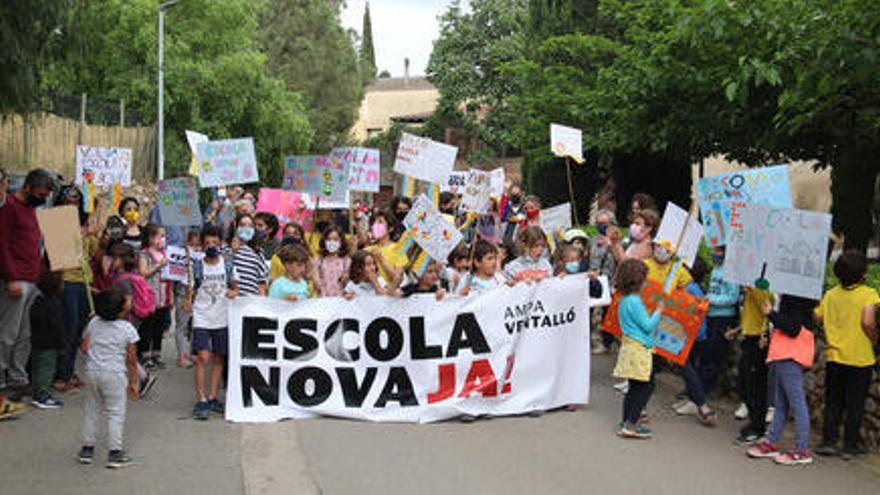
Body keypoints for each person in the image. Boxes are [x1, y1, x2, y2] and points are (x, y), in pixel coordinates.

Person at [814, 250, 880, 459]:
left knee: (833, 401)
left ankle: (828, 441)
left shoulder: (830, 294)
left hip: (835, 356)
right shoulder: (868, 294)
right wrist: (875, 338)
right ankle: (850, 445)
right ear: (862, 274)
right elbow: (868, 321)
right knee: (855, 403)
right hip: (860, 358)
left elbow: (817, 317)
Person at [0, 168, 53, 396]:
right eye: (40, 194)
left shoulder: (32, 210)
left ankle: (17, 375)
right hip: (16, 280)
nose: (42, 199)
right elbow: (2, 245)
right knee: (8, 331)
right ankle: (2, 377)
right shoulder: (9, 208)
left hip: (32, 279)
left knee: (24, 334)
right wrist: (11, 278)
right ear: (27, 187)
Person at [748, 295, 817, 465]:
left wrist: (771, 313)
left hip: (789, 356)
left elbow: (792, 328)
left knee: (796, 403)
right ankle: (771, 442)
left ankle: (801, 450)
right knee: (781, 404)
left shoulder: (796, 299)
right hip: (784, 355)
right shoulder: (801, 299)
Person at [77, 287, 140, 468]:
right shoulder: (128, 329)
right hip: (115, 374)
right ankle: (115, 453)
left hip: (92, 372)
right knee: (115, 413)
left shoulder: (94, 322)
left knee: (91, 410)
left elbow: (84, 348)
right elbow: (132, 359)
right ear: (121, 310)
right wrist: (134, 381)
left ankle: (87, 450)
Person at [186, 225, 238, 421]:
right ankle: (200, 398)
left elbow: (235, 287)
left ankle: (212, 396)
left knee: (219, 358)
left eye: (215, 243)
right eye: (207, 243)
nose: (211, 246)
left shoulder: (228, 265)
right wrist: (187, 301)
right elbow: (190, 288)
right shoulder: (196, 266)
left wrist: (234, 292)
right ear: (201, 244)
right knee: (202, 357)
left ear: (221, 244)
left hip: (222, 317)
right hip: (202, 317)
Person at [54, 185, 99, 392]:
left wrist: (99, 235)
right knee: (68, 329)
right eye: (68, 200)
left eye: (75, 201)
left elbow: (93, 256)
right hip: (66, 281)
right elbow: (61, 256)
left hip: (84, 283)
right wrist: (81, 233)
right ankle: (60, 375)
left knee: (78, 330)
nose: (71, 204)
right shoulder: (55, 220)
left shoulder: (84, 225)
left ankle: (68, 371)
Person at [613, 259, 664, 439]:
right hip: (639, 348)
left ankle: (626, 420)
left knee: (633, 387)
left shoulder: (624, 300)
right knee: (646, 386)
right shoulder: (635, 301)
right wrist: (658, 311)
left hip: (629, 346)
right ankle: (631, 423)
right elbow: (647, 325)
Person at [694, 246, 741, 411]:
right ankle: (697, 392)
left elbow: (733, 297)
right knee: (705, 353)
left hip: (723, 317)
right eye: (714, 251)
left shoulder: (731, 272)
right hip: (711, 314)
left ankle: (703, 394)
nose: (715, 254)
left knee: (713, 356)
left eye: (719, 251)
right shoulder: (716, 269)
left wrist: (712, 299)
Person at [672, 257, 718, 425]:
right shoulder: (696, 288)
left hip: (689, 335)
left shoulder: (689, 289)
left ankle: (700, 403)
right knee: (689, 366)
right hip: (697, 334)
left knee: (685, 366)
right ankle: (695, 401)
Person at [735, 284, 775, 444]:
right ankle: (754, 422)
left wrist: (753, 288)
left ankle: (757, 427)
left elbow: (766, 306)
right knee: (745, 383)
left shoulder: (760, 286)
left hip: (759, 339)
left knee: (755, 385)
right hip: (749, 335)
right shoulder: (750, 287)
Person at [29, 270, 66, 409]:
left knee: (37, 368)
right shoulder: (55, 304)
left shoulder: (38, 301)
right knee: (46, 369)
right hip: (50, 343)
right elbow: (58, 326)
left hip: (37, 341)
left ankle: (37, 392)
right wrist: (62, 343)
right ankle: (42, 396)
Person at [138, 224, 172, 368]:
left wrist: (170, 295)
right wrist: (158, 265)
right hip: (149, 296)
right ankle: (145, 355)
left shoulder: (165, 253)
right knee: (148, 327)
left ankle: (156, 354)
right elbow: (143, 272)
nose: (163, 239)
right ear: (151, 238)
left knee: (159, 327)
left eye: (164, 236)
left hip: (163, 296)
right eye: (160, 236)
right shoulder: (144, 254)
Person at [173, 230, 201, 368]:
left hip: (195, 291)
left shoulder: (199, 254)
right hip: (184, 290)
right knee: (182, 325)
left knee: (194, 324)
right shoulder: (182, 253)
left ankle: (190, 352)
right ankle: (181, 356)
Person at [366, 211, 407, 288]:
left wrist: (381, 259)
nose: (375, 225)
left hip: (391, 296)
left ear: (390, 228)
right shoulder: (367, 250)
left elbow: (397, 279)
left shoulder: (398, 249)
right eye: (374, 222)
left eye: (380, 222)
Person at [231, 214, 269, 296]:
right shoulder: (226, 249)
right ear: (235, 228)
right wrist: (233, 251)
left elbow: (262, 281)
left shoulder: (258, 252)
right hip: (232, 300)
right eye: (242, 225)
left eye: (250, 226)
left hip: (251, 301)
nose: (246, 228)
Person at [314, 226, 350, 297]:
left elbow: (349, 283)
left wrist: (346, 277)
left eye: (335, 239)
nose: (332, 242)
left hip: (340, 299)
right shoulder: (319, 260)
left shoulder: (346, 260)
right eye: (328, 239)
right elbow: (316, 282)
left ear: (341, 241)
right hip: (324, 299)